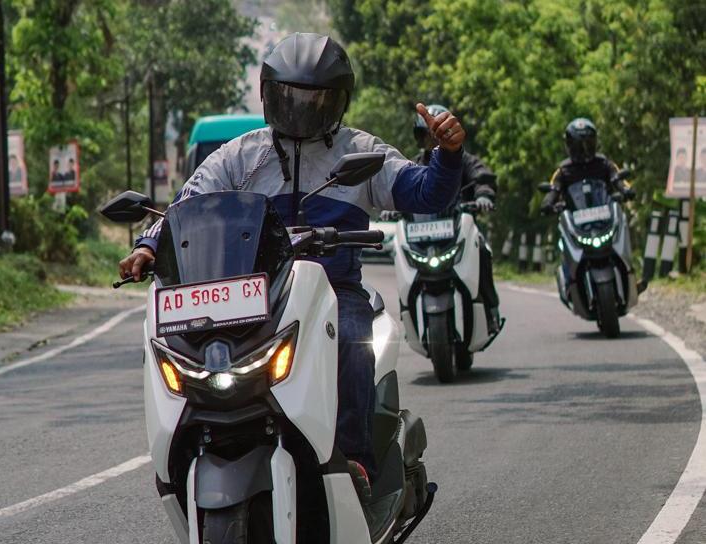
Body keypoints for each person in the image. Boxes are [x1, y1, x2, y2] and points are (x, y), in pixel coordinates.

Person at [119, 32, 465, 498]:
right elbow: (188, 204)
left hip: (333, 289)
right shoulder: (240, 155)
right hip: (253, 296)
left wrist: (448, 155)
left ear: (338, 102)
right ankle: (190, 452)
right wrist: (147, 246)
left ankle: (356, 464)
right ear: (269, 95)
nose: (301, 109)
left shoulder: (359, 151)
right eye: (291, 97)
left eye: (315, 99)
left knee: (352, 344)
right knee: (197, 352)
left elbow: (426, 192)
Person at [413, 105, 500, 331]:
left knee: (483, 251)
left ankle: (491, 309)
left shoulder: (463, 159)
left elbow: (483, 177)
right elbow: (402, 185)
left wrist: (483, 196)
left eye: (437, 137)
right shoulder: (415, 164)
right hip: (423, 233)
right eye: (427, 138)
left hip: (459, 226)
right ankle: (407, 314)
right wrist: (392, 207)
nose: (433, 143)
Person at [540, 117, 633, 214]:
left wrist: (626, 190)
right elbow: (553, 189)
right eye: (578, 146)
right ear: (569, 145)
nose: (583, 150)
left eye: (588, 144)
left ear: (595, 143)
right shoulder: (563, 170)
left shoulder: (604, 163)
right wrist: (547, 203)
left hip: (606, 215)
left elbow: (617, 179)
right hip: (574, 220)